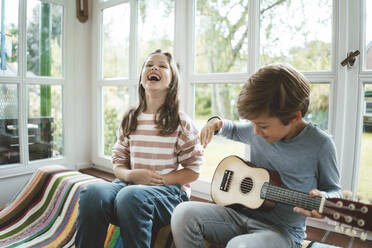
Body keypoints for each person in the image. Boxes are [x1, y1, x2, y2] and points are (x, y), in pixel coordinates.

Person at [171, 63, 341, 248]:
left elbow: (334, 191)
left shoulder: (321, 144)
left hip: (282, 232)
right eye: (252, 124)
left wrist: (324, 198)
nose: (256, 132)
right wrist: (214, 123)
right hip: (240, 215)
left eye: (263, 126)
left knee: (240, 246)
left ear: (294, 117)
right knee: (182, 213)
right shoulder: (259, 127)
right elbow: (232, 128)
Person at [75, 49, 204, 248]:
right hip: (130, 186)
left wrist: (157, 180)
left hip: (170, 193)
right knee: (92, 193)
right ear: (142, 78)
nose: (154, 67)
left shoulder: (181, 122)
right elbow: (118, 165)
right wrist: (132, 176)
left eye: (162, 66)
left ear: (172, 82)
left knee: (130, 196)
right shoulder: (131, 117)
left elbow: (193, 172)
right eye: (149, 65)